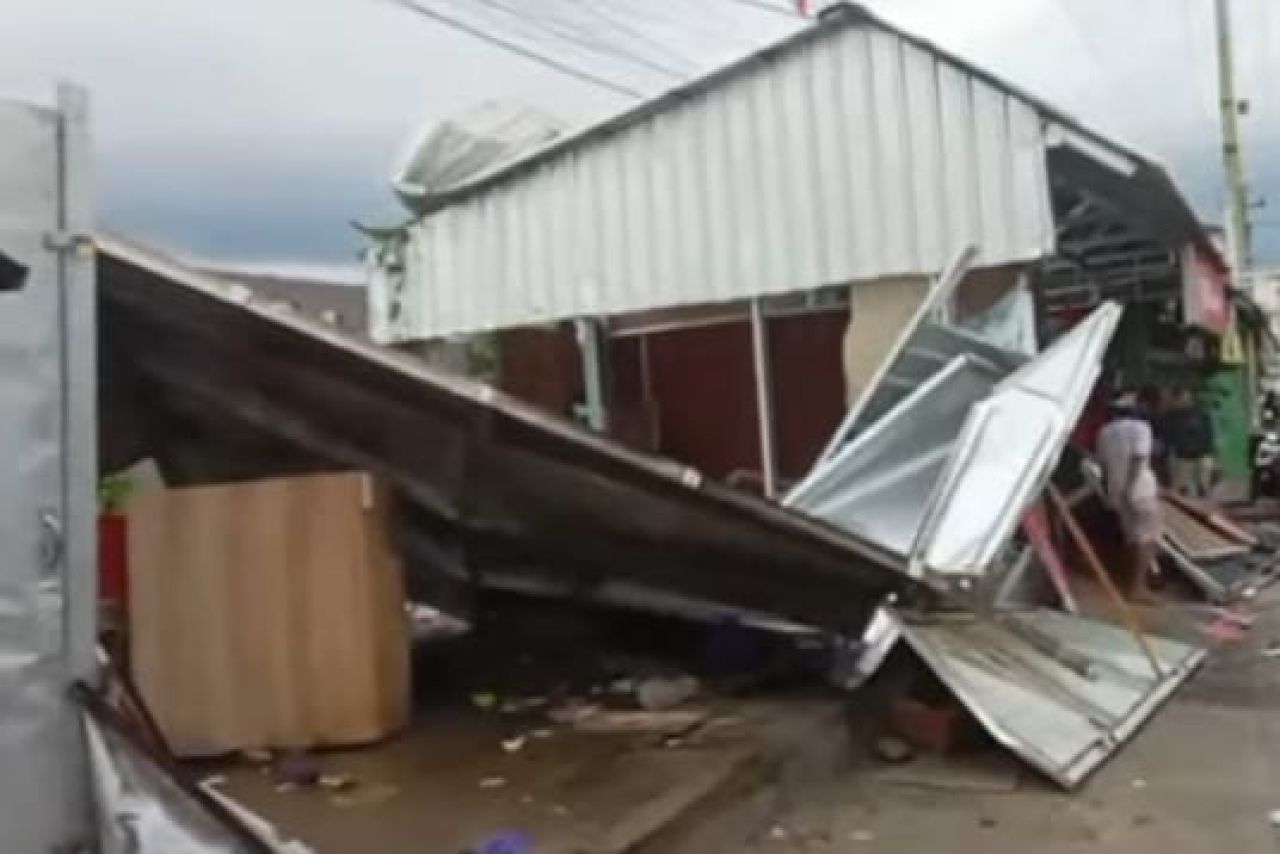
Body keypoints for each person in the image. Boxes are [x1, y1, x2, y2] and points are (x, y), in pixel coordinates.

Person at [1096, 391, 1161, 600]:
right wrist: (1130, 487)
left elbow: (1103, 465)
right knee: (1149, 539)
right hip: (1139, 490)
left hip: (1116, 491)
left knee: (1132, 539)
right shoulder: (1141, 428)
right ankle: (1137, 588)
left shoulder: (1103, 433)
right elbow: (1139, 458)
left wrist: (1116, 491)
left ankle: (1131, 583)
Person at [1163, 387, 1216, 498]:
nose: (1181, 400)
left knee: (1204, 485)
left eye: (1184, 397)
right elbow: (1168, 436)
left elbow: (1209, 434)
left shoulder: (1202, 414)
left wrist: (1211, 452)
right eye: (1179, 398)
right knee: (1184, 487)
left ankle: (1204, 503)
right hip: (1182, 455)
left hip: (1201, 454)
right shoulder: (1172, 417)